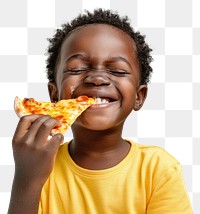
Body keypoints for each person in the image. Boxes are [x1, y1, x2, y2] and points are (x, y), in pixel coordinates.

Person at [8, 9, 192, 214]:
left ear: (139, 96)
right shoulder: (40, 165)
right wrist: (26, 178)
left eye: (118, 71)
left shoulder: (158, 169)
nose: (97, 78)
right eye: (77, 69)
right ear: (55, 94)